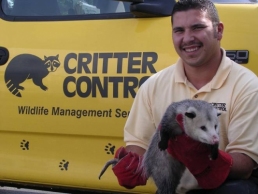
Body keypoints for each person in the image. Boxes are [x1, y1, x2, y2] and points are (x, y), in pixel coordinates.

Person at [112, 0, 258, 193]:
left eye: (197, 27)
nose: (188, 38)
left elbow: (245, 164)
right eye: (179, 31)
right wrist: (135, 165)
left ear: (219, 31)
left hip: (224, 186)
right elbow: (138, 144)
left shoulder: (247, 86)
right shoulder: (153, 85)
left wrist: (203, 158)